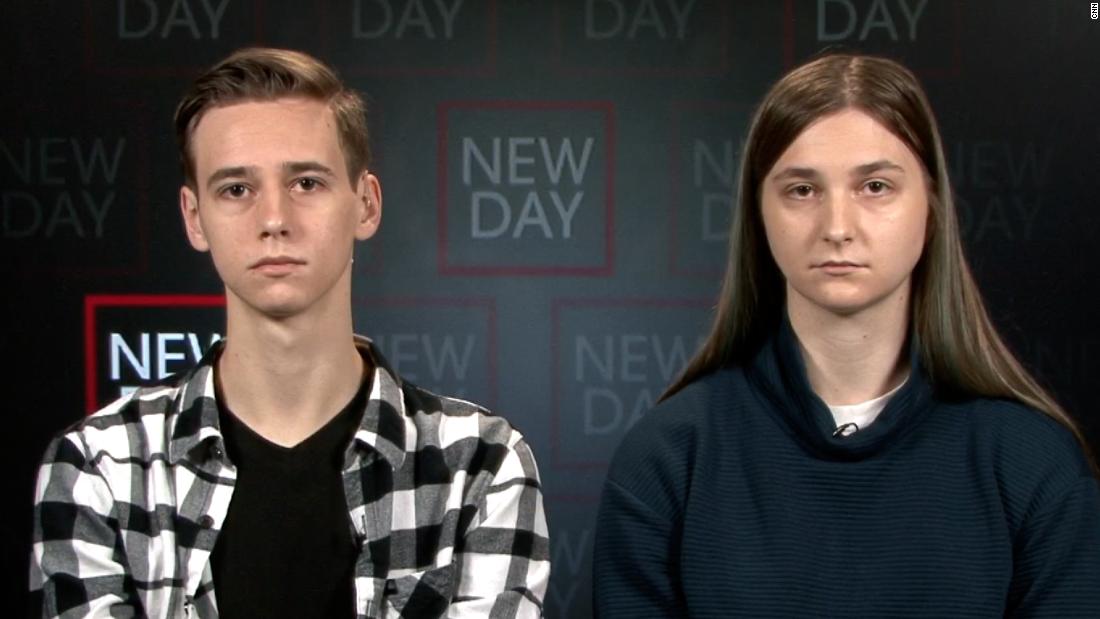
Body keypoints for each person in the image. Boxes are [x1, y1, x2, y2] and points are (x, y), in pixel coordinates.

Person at [30, 48, 549, 618]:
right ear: (194, 217)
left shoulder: (479, 465)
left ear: (366, 204)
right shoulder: (100, 465)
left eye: (306, 182)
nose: (274, 219)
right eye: (236, 189)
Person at [593, 53, 1100, 618]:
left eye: (875, 186)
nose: (837, 228)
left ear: (931, 207)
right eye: (802, 190)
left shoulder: (1034, 465)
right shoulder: (668, 459)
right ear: (758, 213)